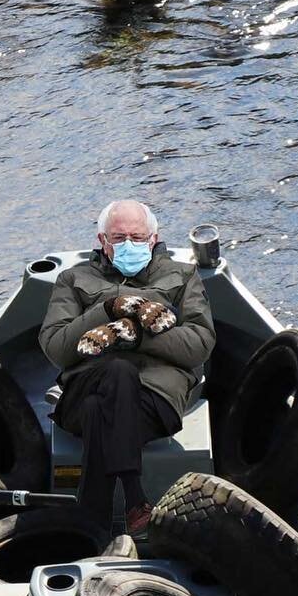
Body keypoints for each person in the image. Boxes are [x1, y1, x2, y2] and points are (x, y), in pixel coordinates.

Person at [38, 200, 216, 535]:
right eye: (119, 238)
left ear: (153, 238)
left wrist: (133, 337)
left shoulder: (182, 276)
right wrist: (107, 310)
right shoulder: (72, 279)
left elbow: (199, 345)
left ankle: (93, 523)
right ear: (102, 240)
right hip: (83, 388)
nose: (128, 244)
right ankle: (135, 498)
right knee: (115, 373)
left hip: (155, 400)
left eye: (137, 236)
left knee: (99, 407)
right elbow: (57, 349)